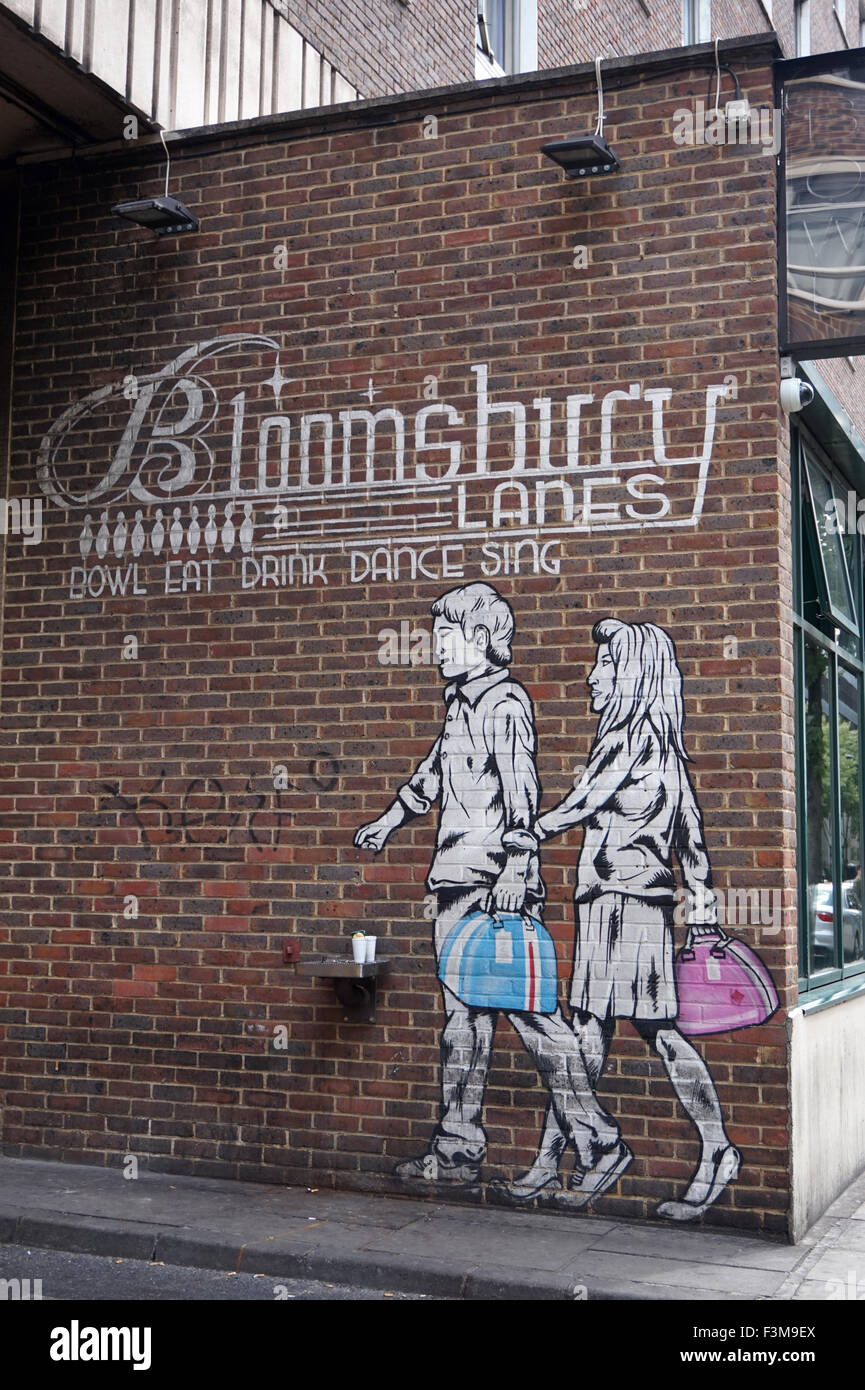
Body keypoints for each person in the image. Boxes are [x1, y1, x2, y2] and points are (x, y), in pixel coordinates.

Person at [354, 583, 629, 1201]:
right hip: (454, 882)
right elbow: (430, 776)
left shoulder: (504, 703)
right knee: (463, 1024)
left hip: (493, 885)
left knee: (533, 1018)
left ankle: (598, 1139)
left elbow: (522, 790)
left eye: (446, 637)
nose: (436, 649)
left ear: (481, 640)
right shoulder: (460, 705)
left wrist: (516, 867)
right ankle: (455, 1151)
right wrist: (388, 820)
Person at [496, 617, 740, 1221]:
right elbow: (694, 840)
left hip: (625, 907)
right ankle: (560, 1157)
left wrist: (532, 832)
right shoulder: (664, 751)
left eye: (605, 666)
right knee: (589, 1034)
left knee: (647, 1031)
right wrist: (702, 905)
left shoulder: (629, 741)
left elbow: (588, 800)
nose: (591, 677)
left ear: (632, 674)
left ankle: (714, 1150)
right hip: (616, 904)